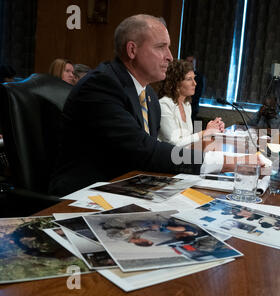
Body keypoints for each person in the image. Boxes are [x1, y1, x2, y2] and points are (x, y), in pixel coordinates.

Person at [49, 14, 262, 196]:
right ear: (132, 50)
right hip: (84, 195)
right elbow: (145, 151)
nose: (170, 56)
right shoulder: (101, 85)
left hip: (127, 187)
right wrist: (227, 162)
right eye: (161, 47)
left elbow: (147, 156)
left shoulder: (148, 95)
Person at [158, 59, 224, 147]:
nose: (195, 83)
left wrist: (213, 129)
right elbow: (175, 143)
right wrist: (205, 132)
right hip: (168, 158)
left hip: (184, 156)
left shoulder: (187, 105)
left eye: (194, 78)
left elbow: (188, 141)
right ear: (176, 83)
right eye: (189, 79)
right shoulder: (164, 104)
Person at [185, 54, 205, 122]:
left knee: (196, 127)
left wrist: (189, 101)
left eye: (191, 61)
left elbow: (199, 93)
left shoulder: (199, 76)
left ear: (195, 63)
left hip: (193, 107)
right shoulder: (182, 75)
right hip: (182, 105)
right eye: (187, 61)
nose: (189, 63)